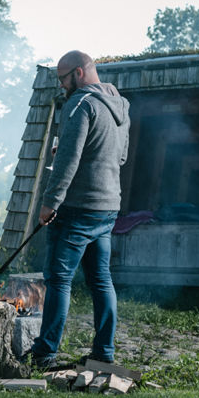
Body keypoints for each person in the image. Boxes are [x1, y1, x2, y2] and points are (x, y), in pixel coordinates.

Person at [27, 50, 130, 368]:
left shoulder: (80, 104)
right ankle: (104, 352)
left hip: (77, 208)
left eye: (62, 78)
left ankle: (45, 353)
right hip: (108, 207)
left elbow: (67, 162)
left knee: (58, 278)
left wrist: (49, 203)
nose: (61, 85)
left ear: (80, 73)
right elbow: (119, 158)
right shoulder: (121, 106)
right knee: (101, 279)